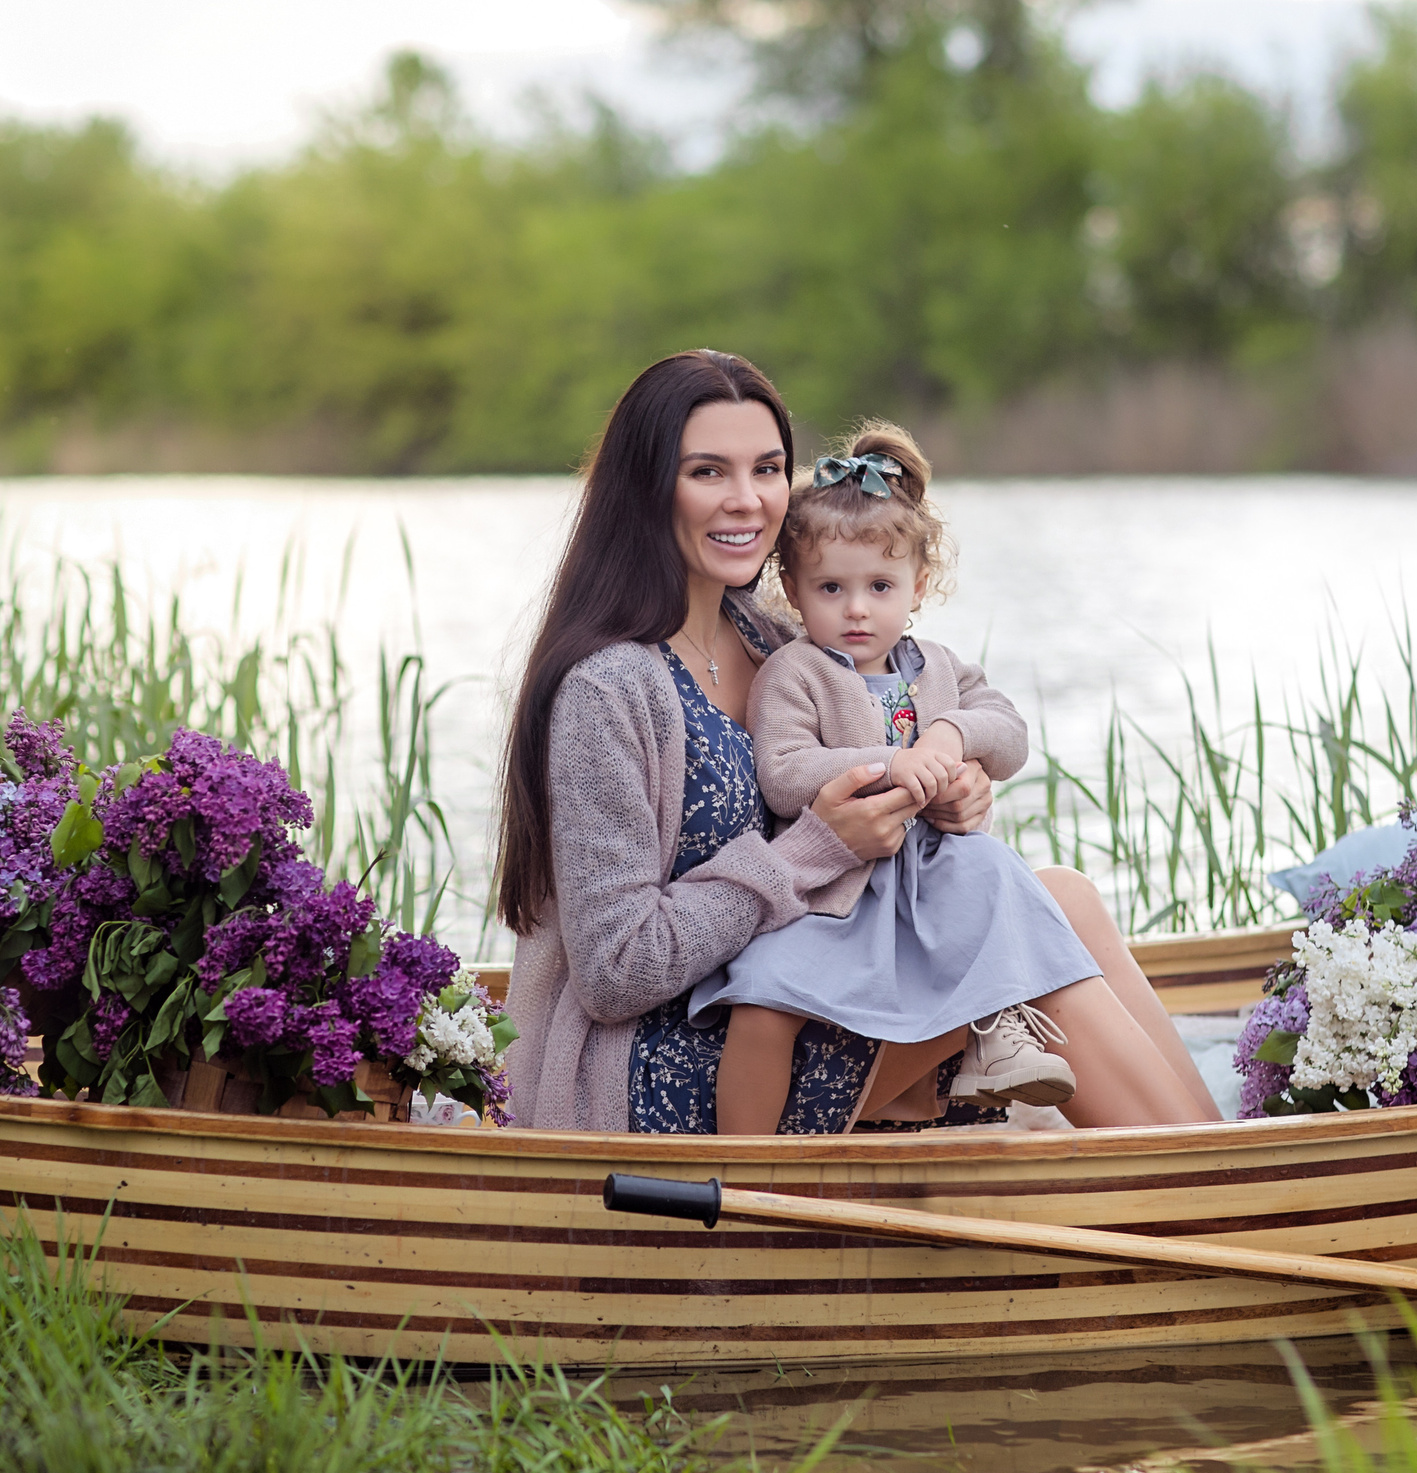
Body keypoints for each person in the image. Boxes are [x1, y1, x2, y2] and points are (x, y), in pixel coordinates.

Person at [497, 350, 1217, 1133]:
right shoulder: (609, 690)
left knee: (1064, 897)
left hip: (799, 984)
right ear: (646, 487)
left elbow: (892, 754)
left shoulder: (776, 641)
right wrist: (816, 847)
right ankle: (1218, 1196)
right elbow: (615, 971)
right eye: (709, 472)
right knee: (1024, 942)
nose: (746, 500)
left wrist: (955, 787)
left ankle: (1226, 1155)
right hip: (675, 1057)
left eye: (768, 469)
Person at [686, 422, 1093, 1133]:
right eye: (831, 587)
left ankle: (997, 1044)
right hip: (836, 893)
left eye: (880, 586)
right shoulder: (794, 672)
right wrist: (887, 764)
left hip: (931, 877)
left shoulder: (935, 665)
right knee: (762, 1001)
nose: (855, 609)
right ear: (792, 587)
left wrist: (950, 736)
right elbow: (782, 774)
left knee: (1000, 880)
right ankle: (740, 1159)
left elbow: (1009, 731)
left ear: (919, 585)